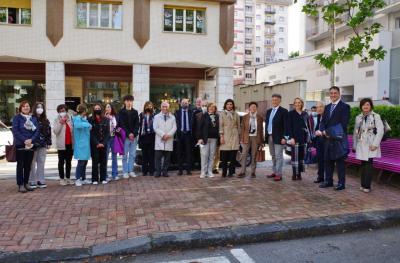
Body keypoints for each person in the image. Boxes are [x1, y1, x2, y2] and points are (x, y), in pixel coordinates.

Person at [317, 86, 350, 191]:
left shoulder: (345, 107)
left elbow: (343, 125)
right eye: (331, 93)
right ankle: (328, 181)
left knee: (340, 162)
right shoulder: (327, 107)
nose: (333, 95)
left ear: (339, 94)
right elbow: (323, 122)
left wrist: (327, 132)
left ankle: (341, 183)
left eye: (335, 93)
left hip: (338, 139)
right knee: (327, 160)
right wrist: (320, 130)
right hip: (327, 139)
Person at [353, 98, 384, 193]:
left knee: (369, 164)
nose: (365, 106)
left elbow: (380, 130)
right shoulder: (358, 117)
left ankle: (367, 186)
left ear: (371, 106)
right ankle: (363, 184)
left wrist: (375, 144)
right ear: (361, 106)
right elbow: (356, 131)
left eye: (367, 104)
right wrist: (355, 144)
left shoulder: (376, 116)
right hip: (361, 143)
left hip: (371, 144)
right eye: (363, 105)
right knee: (363, 164)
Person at [12, 101, 39, 193]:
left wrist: (31, 140)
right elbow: (15, 131)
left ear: (30, 107)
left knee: (28, 165)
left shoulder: (33, 118)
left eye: (27, 106)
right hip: (20, 144)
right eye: (23, 106)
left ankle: (26, 183)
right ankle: (20, 184)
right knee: (21, 165)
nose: (26, 107)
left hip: (31, 144)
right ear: (20, 108)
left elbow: (37, 131)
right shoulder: (17, 118)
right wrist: (25, 140)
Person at [286, 98, 311, 181]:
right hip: (295, 138)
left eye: (299, 102)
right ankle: (294, 174)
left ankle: (299, 173)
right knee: (294, 157)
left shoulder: (305, 114)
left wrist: (308, 135)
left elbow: (308, 126)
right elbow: (289, 127)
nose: (297, 104)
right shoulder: (290, 114)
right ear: (294, 104)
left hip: (303, 138)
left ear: (301, 103)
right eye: (296, 102)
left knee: (301, 156)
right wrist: (291, 137)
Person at [265, 94, 288, 181]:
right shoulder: (269, 111)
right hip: (270, 136)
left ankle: (279, 174)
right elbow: (267, 124)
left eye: (276, 100)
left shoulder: (284, 111)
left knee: (279, 156)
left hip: (279, 137)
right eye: (273, 100)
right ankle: (274, 171)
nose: (274, 101)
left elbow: (286, 126)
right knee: (273, 155)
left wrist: (284, 137)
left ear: (280, 101)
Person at [238, 102, 264, 178]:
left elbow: (261, 130)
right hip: (246, 137)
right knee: (244, 154)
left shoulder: (259, 117)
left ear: (256, 108)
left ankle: (253, 172)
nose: (253, 108)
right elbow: (242, 129)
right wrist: (241, 139)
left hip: (255, 138)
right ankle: (243, 171)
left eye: (254, 107)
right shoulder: (245, 117)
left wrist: (262, 141)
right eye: (251, 107)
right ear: (249, 108)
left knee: (254, 155)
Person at [29, 103, 52, 189]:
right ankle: (32, 180)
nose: (40, 109)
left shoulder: (45, 120)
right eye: (38, 107)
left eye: (41, 107)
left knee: (41, 162)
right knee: (32, 163)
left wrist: (49, 143)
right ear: (34, 108)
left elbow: (48, 131)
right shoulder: (31, 119)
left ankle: (41, 180)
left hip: (43, 144)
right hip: (33, 144)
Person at [153, 101, 177, 177]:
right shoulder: (156, 117)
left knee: (167, 158)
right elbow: (155, 128)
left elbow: (174, 128)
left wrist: (168, 135)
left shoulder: (173, 117)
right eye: (163, 106)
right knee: (158, 158)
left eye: (166, 106)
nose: (164, 108)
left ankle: (165, 171)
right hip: (160, 139)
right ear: (161, 107)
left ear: (168, 107)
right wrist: (163, 135)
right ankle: (158, 172)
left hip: (168, 139)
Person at [119, 95, 139, 178]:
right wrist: (128, 134)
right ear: (124, 102)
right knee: (125, 155)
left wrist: (133, 134)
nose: (129, 102)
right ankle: (125, 171)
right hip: (125, 136)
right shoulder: (121, 112)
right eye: (127, 101)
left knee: (132, 154)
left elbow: (137, 124)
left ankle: (131, 170)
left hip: (134, 137)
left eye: (130, 101)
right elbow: (122, 124)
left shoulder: (135, 112)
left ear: (132, 102)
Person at [89, 104, 110, 185]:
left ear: (101, 109)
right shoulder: (90, 119)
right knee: (95, 162)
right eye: (96, 108)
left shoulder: (106, 119)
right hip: (95, 144)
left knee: (103, 162)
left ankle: (103, 178)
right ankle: (94, 179)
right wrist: (97, 143)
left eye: (99, 108)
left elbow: (108, 133)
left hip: (104, 144)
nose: (97, 109)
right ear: (93, 109)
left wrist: (103, 143)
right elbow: (90, 133)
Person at [53, 104, 74, 186]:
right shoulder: (56, 119)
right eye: (61, 111)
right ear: (58, 112)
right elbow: (55, 131)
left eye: (64, 111)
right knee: (61, 162)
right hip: (61, 144)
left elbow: (72, 130)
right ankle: (62, 178)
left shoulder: (70, 119)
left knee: (69, 161)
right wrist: (60, 123)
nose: (63, 112)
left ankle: (68, 178)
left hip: (70, 143)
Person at [219, 99, 240, 177]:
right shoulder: (222, 114)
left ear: (233, 105)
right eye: (228, 104)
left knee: (233, 156)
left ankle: (231, 172)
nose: (229, 106)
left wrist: (239, 136)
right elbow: (220, 126)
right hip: (225, 135)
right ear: (225, 105)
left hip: (234, 135)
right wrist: (221, 136)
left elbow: (238, 126)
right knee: (224, 156)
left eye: (231, 104)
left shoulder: (236, 114)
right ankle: (224, 172)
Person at [197, 103, 219, 178]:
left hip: (214, 139)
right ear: (208, 108)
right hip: (204, 139)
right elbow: (199, 127)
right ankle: (203, 172)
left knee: (211, 156)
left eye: (213, 107)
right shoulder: (204, 115)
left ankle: (210, 171)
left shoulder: (217, 116)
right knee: (204, 155)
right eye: (210, 107)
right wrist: (199, 138)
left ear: (215, 109)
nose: (211, 108)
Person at [72, 104, 92, 187]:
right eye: (85, 110)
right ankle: (77, 179)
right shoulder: (77, 119)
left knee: (85, 162)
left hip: (86, 143)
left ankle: (83, 178)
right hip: (80, 144)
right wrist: (88, 125)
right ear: (83, 111)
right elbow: (77, 125)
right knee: (81, 162)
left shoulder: (83, 119)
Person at [175, 98, 193, 175]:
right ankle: (180, 170)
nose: (184, 104)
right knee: (180, 153)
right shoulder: (177, 112)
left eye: (186, 103)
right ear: (180, 104)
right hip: (180, 134)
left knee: (189, 153)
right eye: (183, 103)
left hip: (189, 135)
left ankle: (188, 170)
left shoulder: (191, 112)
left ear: (188, 104)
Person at [139, 101, 156, 176]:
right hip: (144, 136)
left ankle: (151, 170)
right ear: (144, 107)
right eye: (147, 106)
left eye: (150, 106)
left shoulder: (155, 115)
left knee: (151, 155)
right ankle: (144, 171)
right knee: (144, 155)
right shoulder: (141, 115)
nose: (148, 107)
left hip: (152, 137)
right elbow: (139, 126)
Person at [105, 103, 119, 181]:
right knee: (105, 157)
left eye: (109, 107)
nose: (107, 108)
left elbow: (116, 126)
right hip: (106, 139)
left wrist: (110, 118)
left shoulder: (114, 116)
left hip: (113, 137)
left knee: (114, 156)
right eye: (106, 107)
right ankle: (105, 174)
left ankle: (115, 174)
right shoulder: (103, 116)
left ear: (112, 108)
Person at [313, 101, 325, 184]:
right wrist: (315, 131)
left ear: (324, 108)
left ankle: (327, 178)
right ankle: (320, 177)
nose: (319, 108)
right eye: (317, 107)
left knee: (326, 161)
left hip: (326, 142)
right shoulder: (318, 116)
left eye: (321, 106)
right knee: (320, 160)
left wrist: (321, 132)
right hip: (319, 142)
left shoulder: (327, 117)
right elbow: (317, 127)